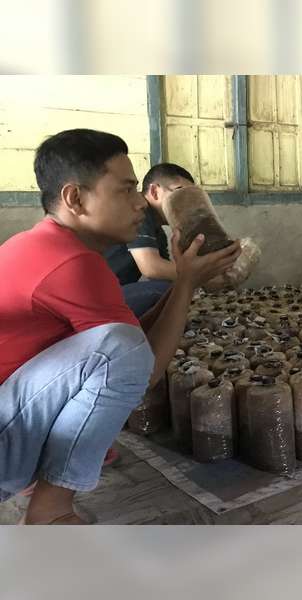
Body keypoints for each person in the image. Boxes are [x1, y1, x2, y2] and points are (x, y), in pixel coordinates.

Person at [0, 129, 241, 524]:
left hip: (12, 415)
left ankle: (48, 489)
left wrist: (186, 282)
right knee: (123, 345)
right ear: (75, 198)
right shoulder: (72, 265)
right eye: (126, 191)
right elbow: (142, 370)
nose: (139, 205)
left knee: (123, 337)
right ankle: (52, 509)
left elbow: (131, 346)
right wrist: (184, 284)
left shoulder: (43, 245)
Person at [104, 163, 194, 317]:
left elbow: (166, 274)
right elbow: (152, 268)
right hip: (98, 299)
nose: (187, 203)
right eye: (180, 193)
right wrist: (202, 274)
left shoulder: (157, 231)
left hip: (114, 293)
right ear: (154, 191)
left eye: (191, 198)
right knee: (164, 292)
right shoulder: (139, 212)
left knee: (173, 290)